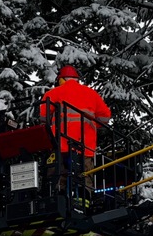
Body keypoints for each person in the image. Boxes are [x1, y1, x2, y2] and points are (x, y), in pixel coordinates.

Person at [39, 65, 111, 197]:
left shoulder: (53, 93)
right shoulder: (91, 94)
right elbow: (105, 117)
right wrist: (92, 125)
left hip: (59, 144)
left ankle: (57, 196)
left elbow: (43, 117)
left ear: (61, 80)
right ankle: (86, 198)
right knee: (85, 177)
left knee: (58, 177)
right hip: (85, 146)